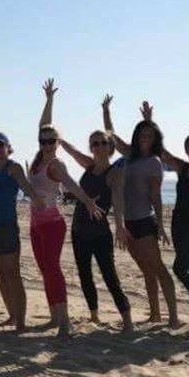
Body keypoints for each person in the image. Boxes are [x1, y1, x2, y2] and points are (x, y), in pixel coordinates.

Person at [31, 79, 105, 336]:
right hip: (35, 225)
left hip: (52, 225)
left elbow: (72, 184)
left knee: (53, 269)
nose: (47, 144)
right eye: (44, 141)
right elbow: (45, 126)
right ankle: (54, 317)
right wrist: (49, 98)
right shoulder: (39, 159)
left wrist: (87, 201)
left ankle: (64, 322)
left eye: (52, 141)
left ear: (58, 143)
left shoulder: (57, 165)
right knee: (44, 270)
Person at [140, 101, 189, 328]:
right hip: (179, 225)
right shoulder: (182, 168)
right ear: (186, 150)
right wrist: (149, 122)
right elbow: (159, 150)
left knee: (179, 268)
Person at [103, 95, 180, 328]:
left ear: (154, 139)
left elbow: (156, 195)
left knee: (159, 270)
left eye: (150, 136)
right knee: (146, 270)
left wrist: (161, 224)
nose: (145, 139)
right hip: (128, 224)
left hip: (145, 222)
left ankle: (174, 318)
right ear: (137, 137)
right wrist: (106, 109)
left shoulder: (155, 162)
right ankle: (155, 314)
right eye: (142, 135)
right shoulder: (128, 154)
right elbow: (110, 133)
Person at [59, 130, 134, 332]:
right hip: (78, 229)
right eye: (95, 144)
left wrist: (120, 225)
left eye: (103, 143)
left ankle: (127, 320)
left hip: (100, 232)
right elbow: (71, 150)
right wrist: (57, 136)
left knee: (110, 276)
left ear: (110, 147)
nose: (99, 147)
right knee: (85, 275)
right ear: (90, 147)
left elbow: (118, 198)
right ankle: (94, 315)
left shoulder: (115, 173)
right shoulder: (89, 165)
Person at [0, 132, 45, 334]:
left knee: (13, 274)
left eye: (0, 146)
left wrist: (36, 199)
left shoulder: (12, 167)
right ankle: (12, 315)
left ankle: (21, 322)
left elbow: (25, 185)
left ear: (8, 147)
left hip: (7, 226)